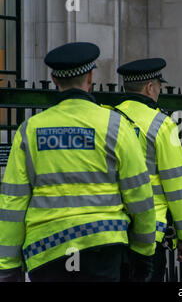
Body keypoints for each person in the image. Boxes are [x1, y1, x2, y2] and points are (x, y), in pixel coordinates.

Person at [0, 42, 156, 282]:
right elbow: (139, 194)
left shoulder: (29, 130)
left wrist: (8, 264)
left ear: (53, 79)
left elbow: (13, 201)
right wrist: (143, 250)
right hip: (102, 246)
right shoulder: (116, 126)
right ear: (91, 77)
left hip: (46, 250)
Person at [115, 58, 182, 282]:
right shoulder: (162, 124)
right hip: (151, 231)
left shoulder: (109, 119)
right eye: (159, 86)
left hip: (112, 228)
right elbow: (177, 186)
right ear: (150, 87)